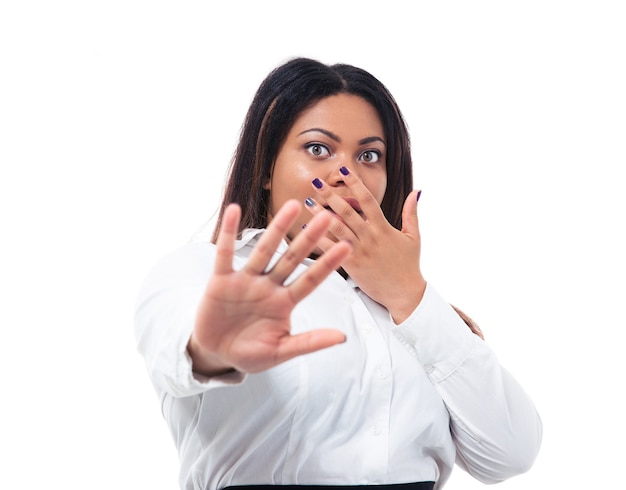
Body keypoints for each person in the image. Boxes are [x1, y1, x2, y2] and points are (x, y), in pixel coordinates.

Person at [135, 57, 542, 490]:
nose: (346, 176)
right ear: (267, 166)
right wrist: (213, 346)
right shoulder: (202, 271)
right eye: (317, 149)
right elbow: (175, 348)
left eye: (369, 155)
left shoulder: (416, 313)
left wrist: (410, 296)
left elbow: (511, 453)